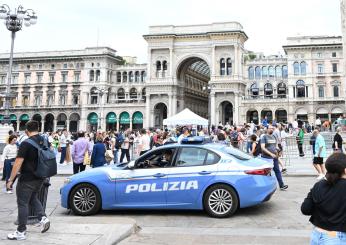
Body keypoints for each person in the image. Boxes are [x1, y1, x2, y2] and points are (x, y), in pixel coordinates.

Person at [6, 120, 50, 240]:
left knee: (22, 203)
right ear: (38, 128)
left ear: (26, 131)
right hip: (40, 177)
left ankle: (21, 231)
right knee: (33, 198)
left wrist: (10, 179)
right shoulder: (44, 140)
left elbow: (17, 163)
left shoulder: (26, 144)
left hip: (27, 178)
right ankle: (43, 218)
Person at [301, 153, 346, 245]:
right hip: (336, 238)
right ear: (345, 170)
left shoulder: (319, 185)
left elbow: (305, 209)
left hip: (316, 235)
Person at [260, 125, 288, 190]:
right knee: (267, 173)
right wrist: (270, 153)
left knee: (277, 171)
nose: (272, 129)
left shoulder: (274, 136)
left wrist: (278, 151)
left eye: (273, 128)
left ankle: (282, 185)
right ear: (267, 129)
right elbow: (262, 147)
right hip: (266, 158)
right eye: (270, 128)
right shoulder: (264, 137)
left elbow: (275, 146)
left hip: (275, 157)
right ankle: (267, 187)